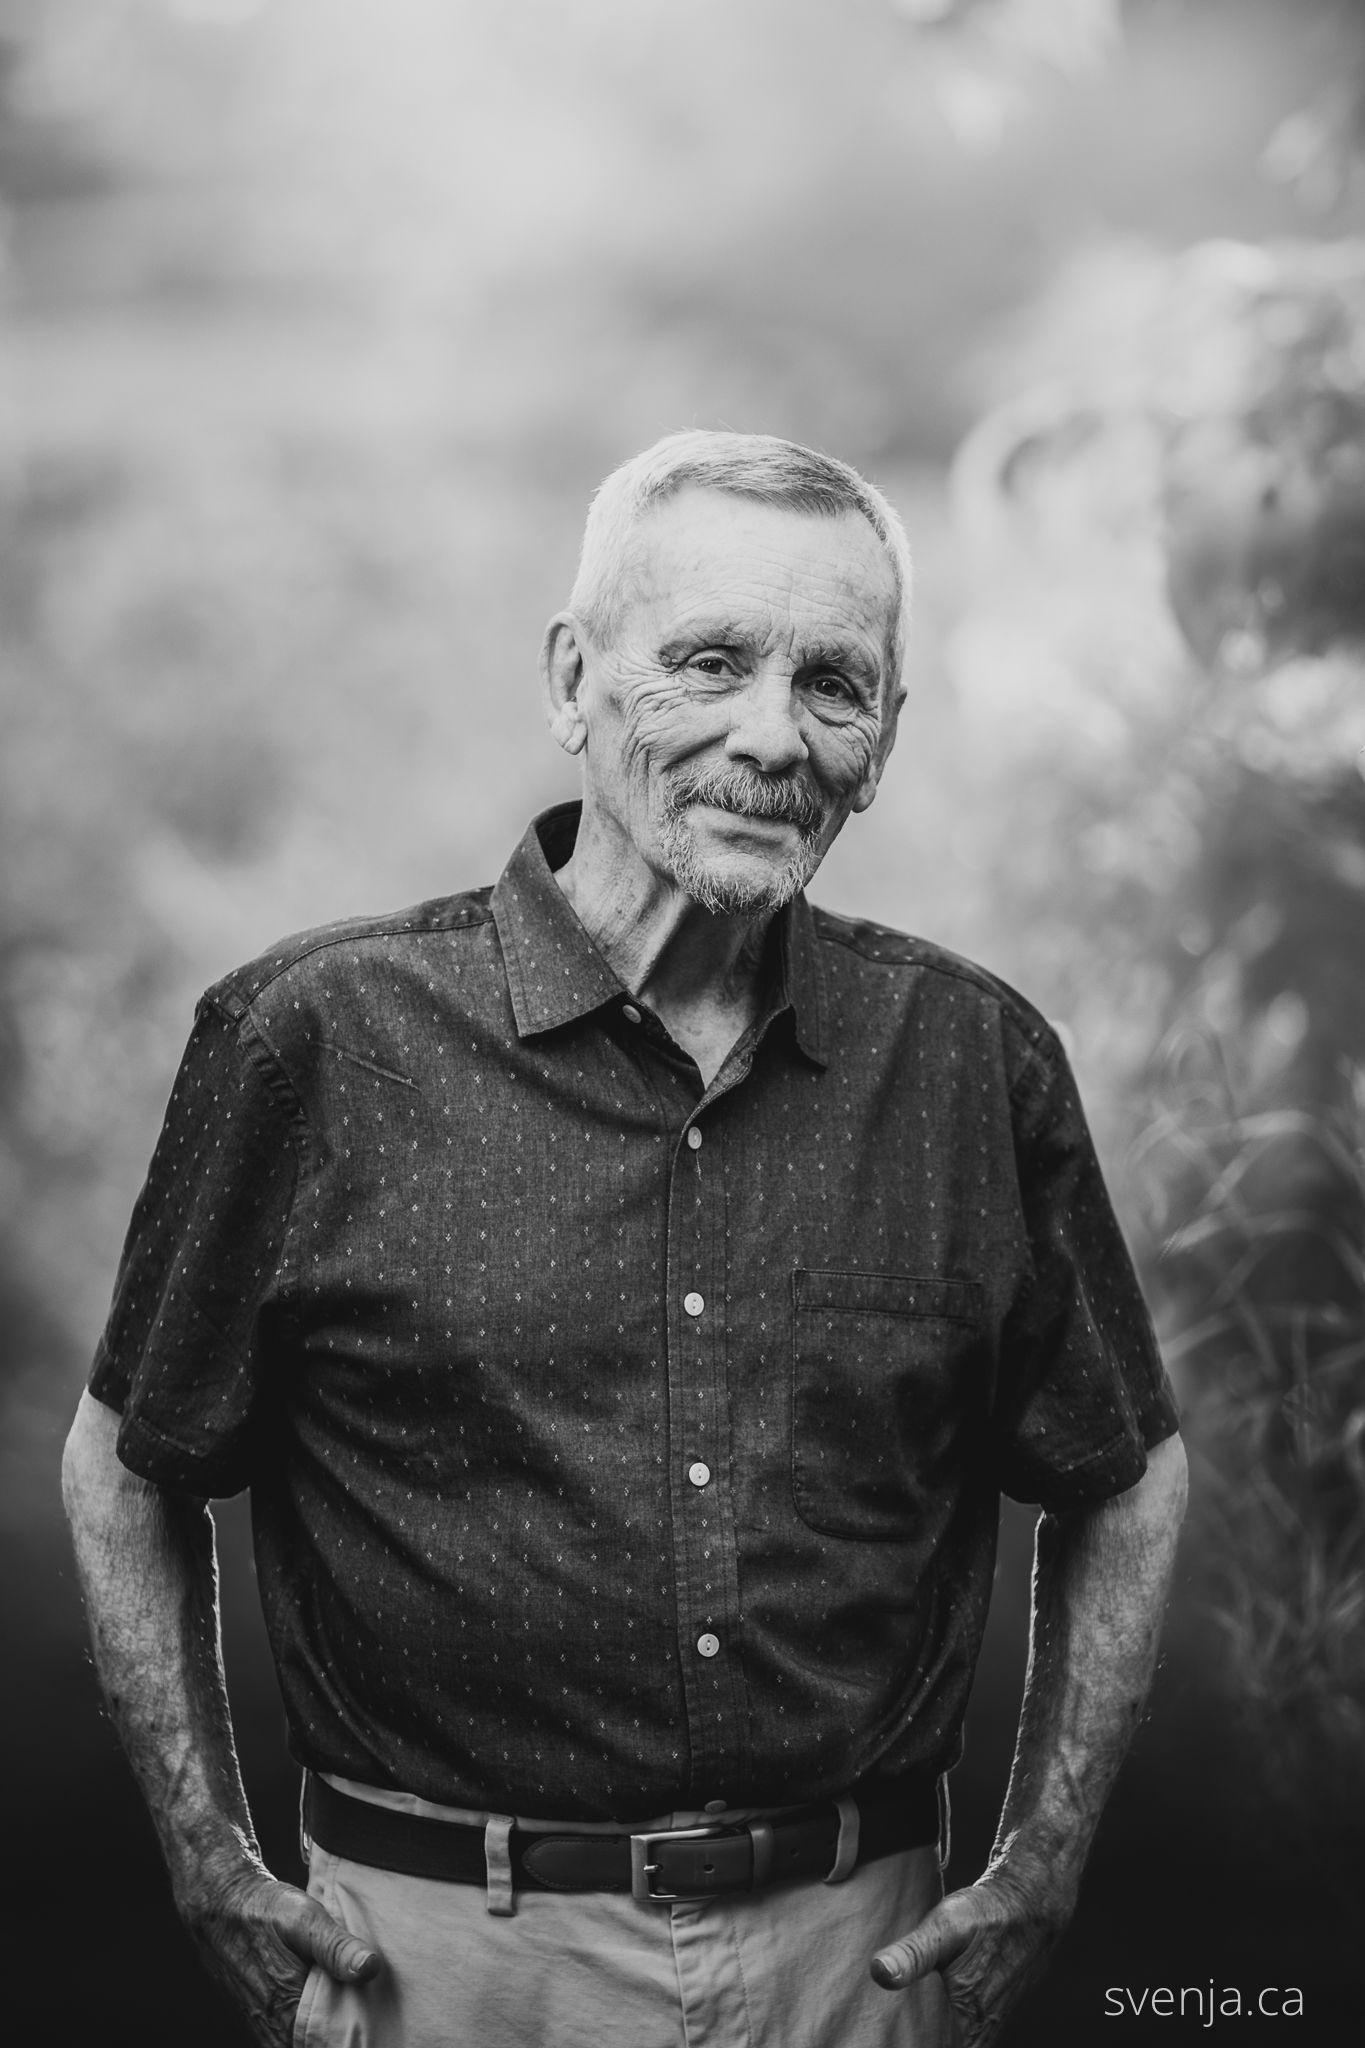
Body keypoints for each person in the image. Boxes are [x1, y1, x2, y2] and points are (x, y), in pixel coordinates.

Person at [62, 429, 1187, 2048]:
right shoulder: (313, 1042)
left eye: (832, 684)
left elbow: (1128, 1467)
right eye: (708, 663)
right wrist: (206, 1853)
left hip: (855, 1966)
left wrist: (1046, 1850)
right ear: (571, 679)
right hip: (440, 1970)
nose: (768, 737)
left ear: (884, 739)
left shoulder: (970, 1061)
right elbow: (127, 1465)